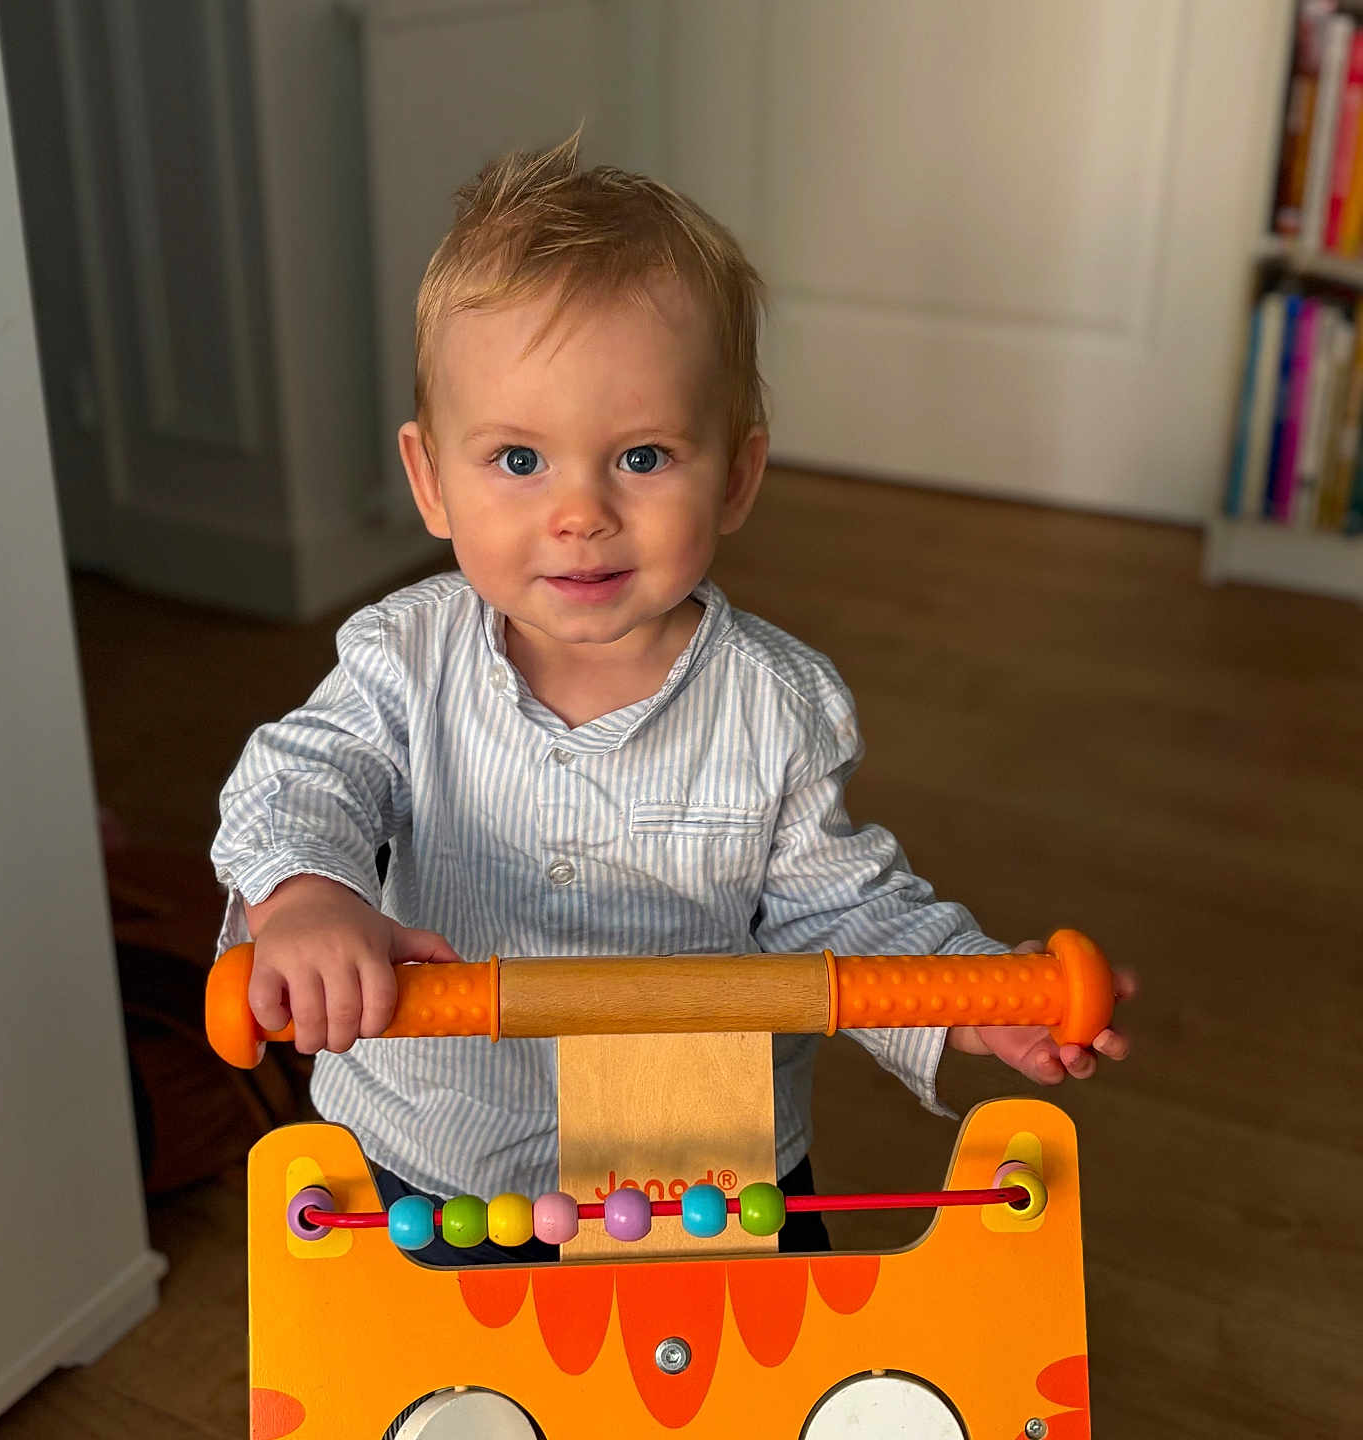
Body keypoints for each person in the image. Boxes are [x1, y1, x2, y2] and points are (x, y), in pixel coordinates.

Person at [210, 133, 1131, 1265]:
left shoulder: (778, 705)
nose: (581, 512)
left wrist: (970, 993)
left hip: (705, 1172)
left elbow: (839, 911)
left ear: (735, 476)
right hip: (434, 1161)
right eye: (517, 461)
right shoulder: (405, 659)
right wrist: (305, 897)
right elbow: (302, 777)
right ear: (429, 478)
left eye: (641, 458)